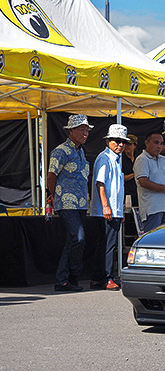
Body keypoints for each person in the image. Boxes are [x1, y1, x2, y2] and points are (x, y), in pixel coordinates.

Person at [47, 114, 93, 292]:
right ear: (71, 131)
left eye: (87, 130)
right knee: (78, 237)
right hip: (66, 202)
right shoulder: (61, 151)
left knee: (73, 240)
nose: (85, 133)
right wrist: (54, 195)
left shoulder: (81, 151)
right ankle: (65, 277)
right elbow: (51, 175)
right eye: (81, 129)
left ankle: (67, 278)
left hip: (81, 203)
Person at [89, 124, 128, 290]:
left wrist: (120, 209)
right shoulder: (104, 158)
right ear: (108, 141)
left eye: (122, 142)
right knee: (107, 245)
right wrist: (106, 206)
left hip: (115, 209)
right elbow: (100, 183)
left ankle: (98, 277)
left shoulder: (116, 159)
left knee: (106, 244)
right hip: (107, 209)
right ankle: (106, 277)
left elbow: (117, 187)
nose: (120, 144)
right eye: (116, 141)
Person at [134, 131, 165, 232]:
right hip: (152, 207)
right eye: (156, 143)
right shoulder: (142, 159)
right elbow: (143, 181)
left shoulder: (164, 160)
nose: (159, 146)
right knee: (153, 239)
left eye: (161, 143)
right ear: (147, 143)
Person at [122, 134, 139, 206]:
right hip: (126, 193)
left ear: (135, 145)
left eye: (129, 144)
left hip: (139, 192)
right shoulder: (120, 159)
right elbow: (120, 178)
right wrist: (134, 174)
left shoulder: (139, 158)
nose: (126, 146)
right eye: (125, 144)